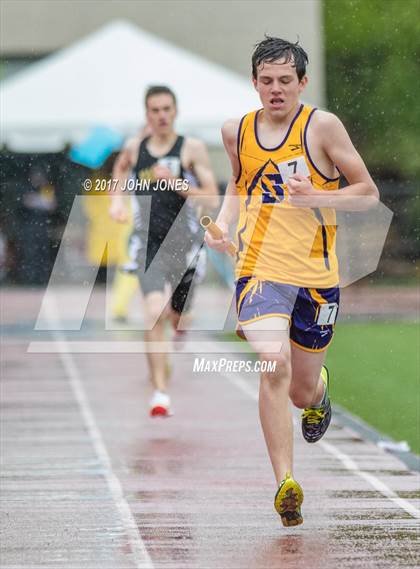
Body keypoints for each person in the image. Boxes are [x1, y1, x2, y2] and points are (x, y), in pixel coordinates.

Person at [205, 37, 379, 526]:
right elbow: (238, 184)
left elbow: (368, 193)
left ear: (303, 82)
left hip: (317, 275)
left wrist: (317, 197)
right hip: (260, 268)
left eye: (286, 81)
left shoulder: (321, 127)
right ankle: (285, 482)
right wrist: (222, 226)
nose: (276, 90)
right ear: (254, 82)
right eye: (266, 81)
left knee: (300, 391)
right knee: (271, 360)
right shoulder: (234, 130)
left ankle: (319, 393)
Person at [110, 85, 219, 417]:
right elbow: (120, 167)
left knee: (177, 316)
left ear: (175, 111)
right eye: (154, 110)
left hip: (184, 247)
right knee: (153, 314)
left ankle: (178, 321)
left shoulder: (191, 149)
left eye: (166, 109)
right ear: (147, 114)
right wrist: (117, 201)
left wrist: (176, 183)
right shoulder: (135, 147)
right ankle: (160, 392)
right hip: (147, 246)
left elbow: (212, 197)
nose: (160, 116)